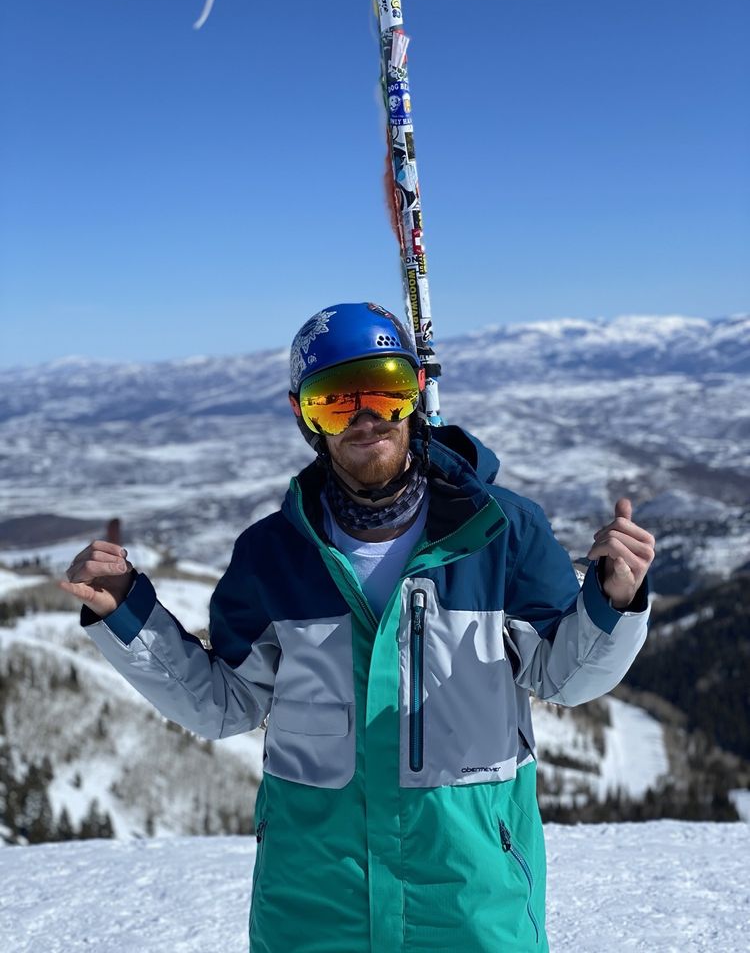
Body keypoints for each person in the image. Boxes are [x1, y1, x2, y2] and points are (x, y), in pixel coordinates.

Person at [61, 302, 655, 953]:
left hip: (472, 904)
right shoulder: (271, 555)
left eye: (385, 389)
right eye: (335, 402)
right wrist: (127, 615)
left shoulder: (501, 532)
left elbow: (564, 678)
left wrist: (614, 600)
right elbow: (224, 705)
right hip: (313, 907)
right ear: (304, 417)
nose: (365, 416)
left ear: (416, 393)